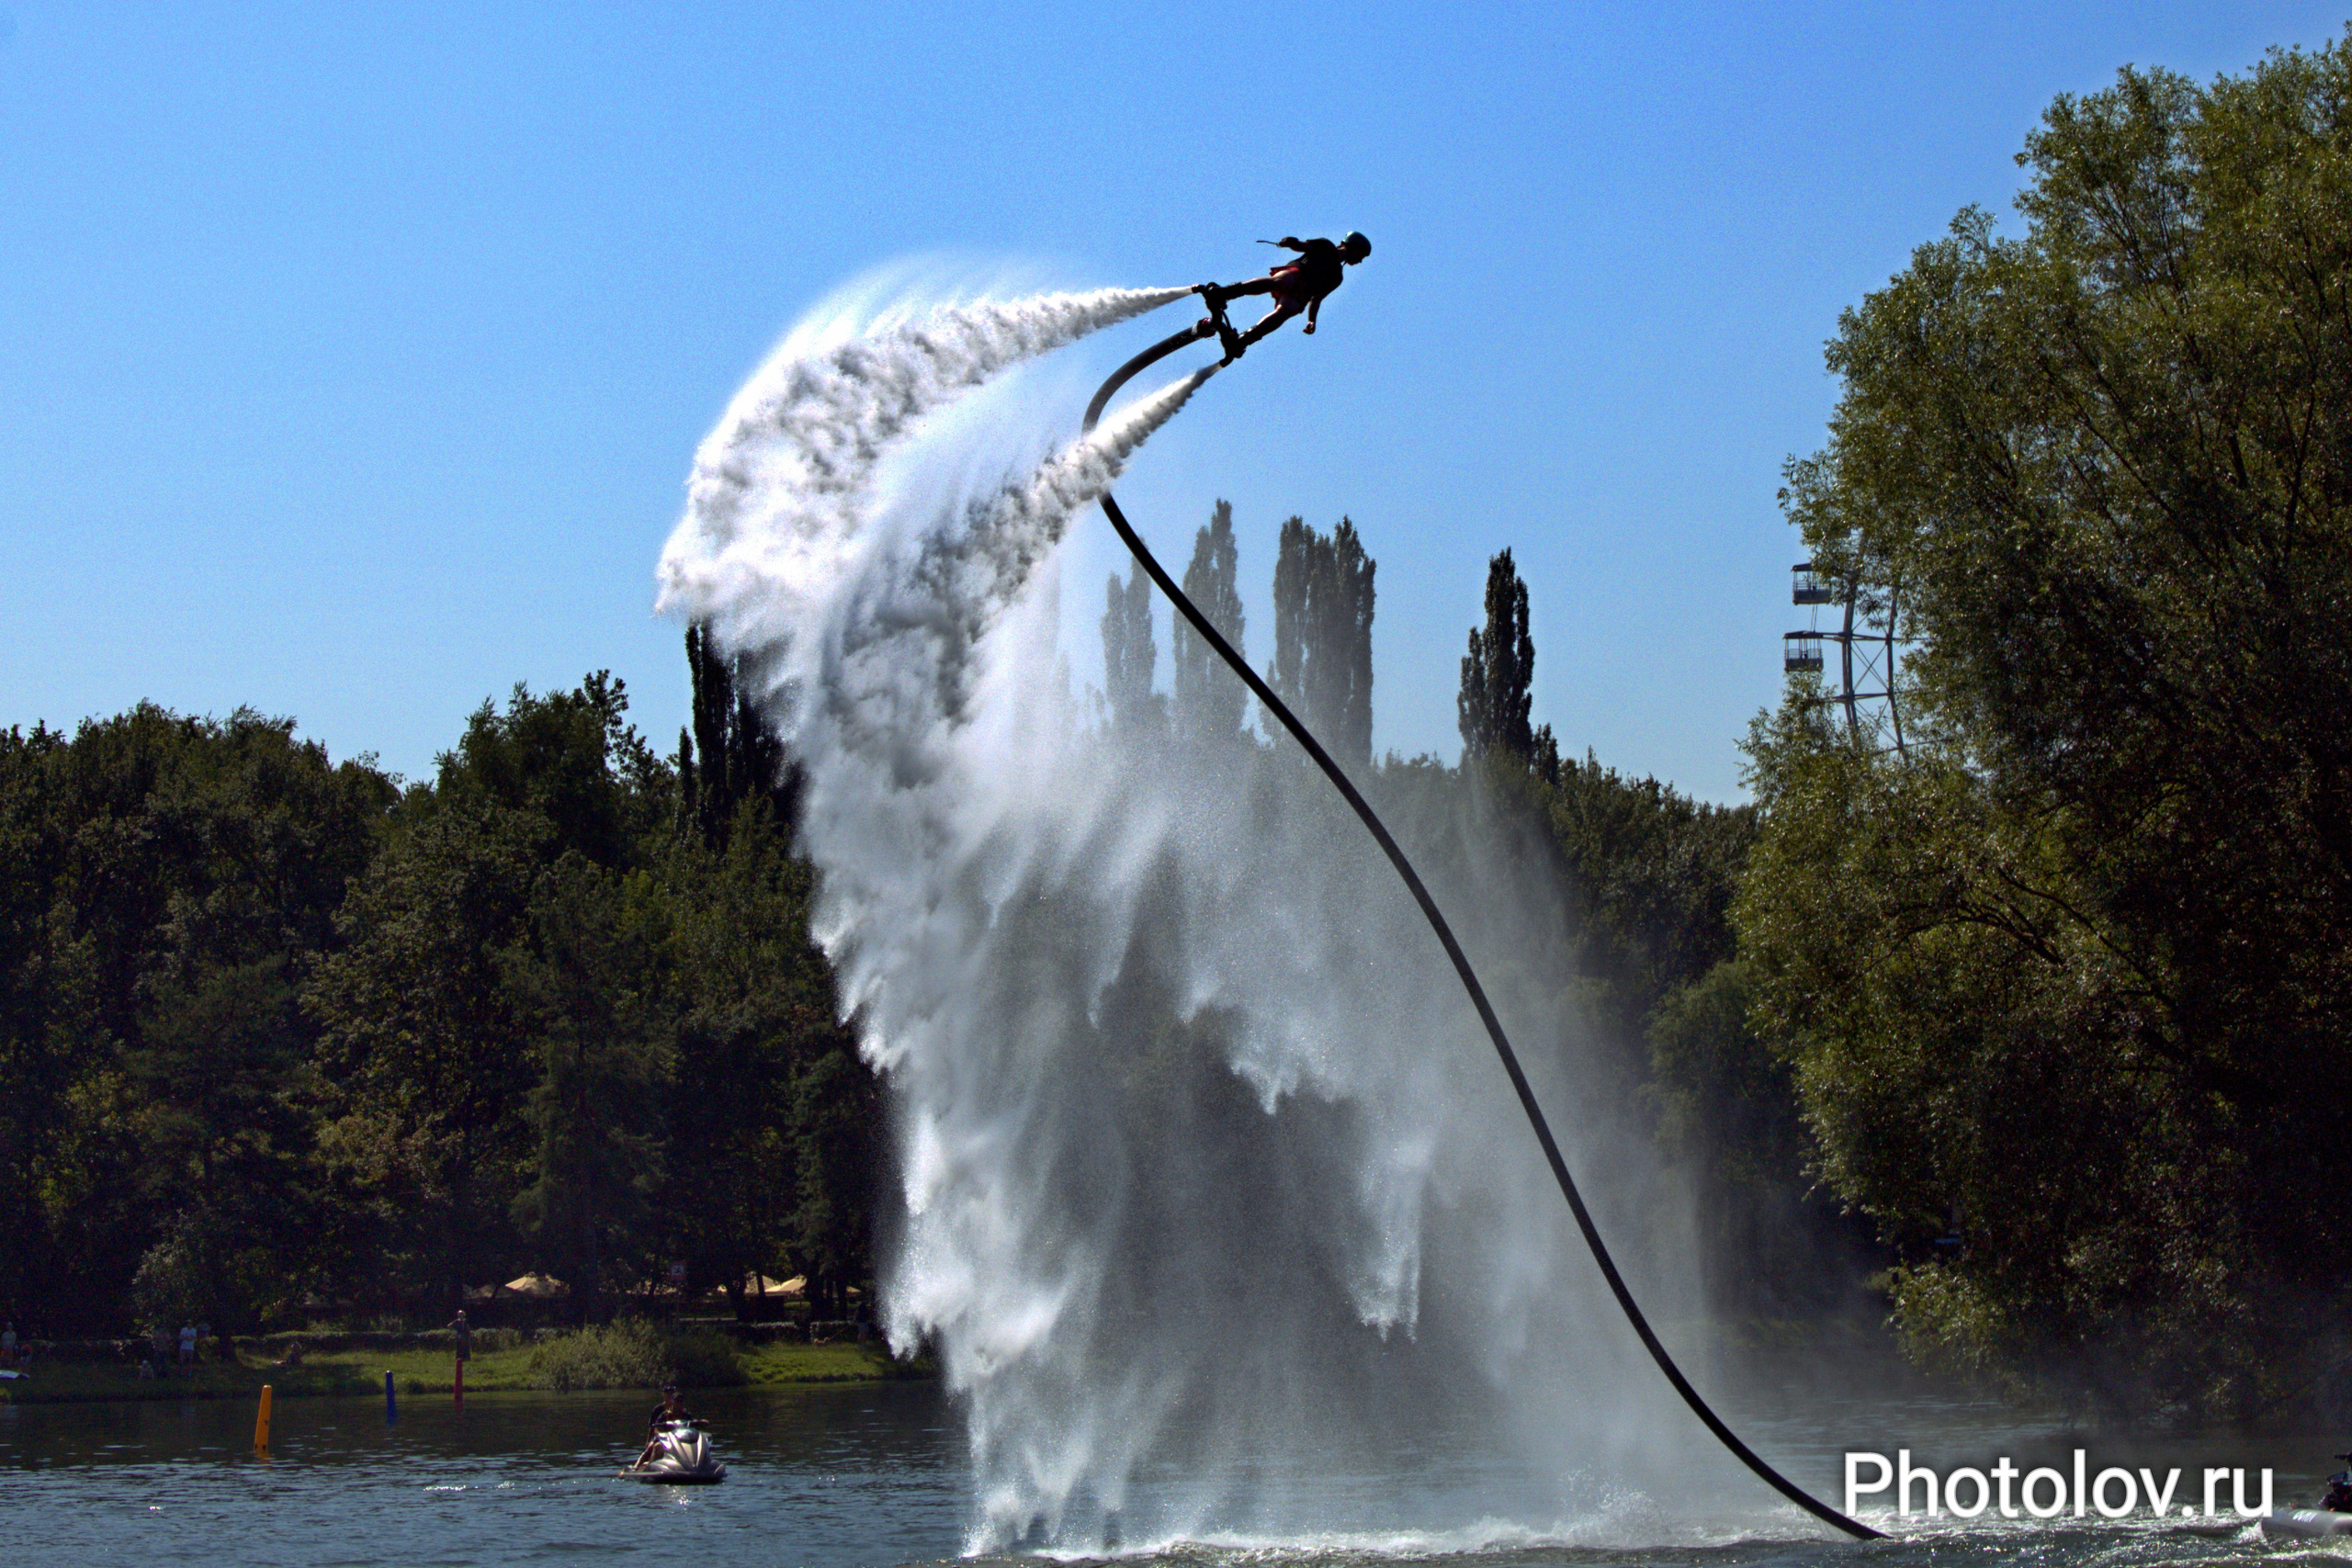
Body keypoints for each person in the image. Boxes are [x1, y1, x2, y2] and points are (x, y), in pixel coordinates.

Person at [1194, 231, 1371, 362]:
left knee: (1289, 309)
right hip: (1297, 273)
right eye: (1360, 255)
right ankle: (1224, 294)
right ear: (1353, 247)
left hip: (1302, 293)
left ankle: (1243, 340)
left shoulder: (1337, 277)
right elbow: (1302, 246)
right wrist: (1290, 243)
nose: (1360, 260)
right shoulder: (1326, 246)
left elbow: (1317, 299)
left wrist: (1311, 320)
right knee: (1282, 280)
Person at [635, 1382, 698, 1469]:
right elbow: (653, 1427)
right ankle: (638, 1466)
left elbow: (692, 1423)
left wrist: (699, 1423)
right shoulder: (662, 1412)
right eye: (677, 1401)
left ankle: (693, 1464)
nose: (679, 1403)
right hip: (664, 1437)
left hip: (680, 1438)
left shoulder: (685, 1413)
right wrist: (652, 1438)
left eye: (681, 1401)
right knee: (652, 1447)